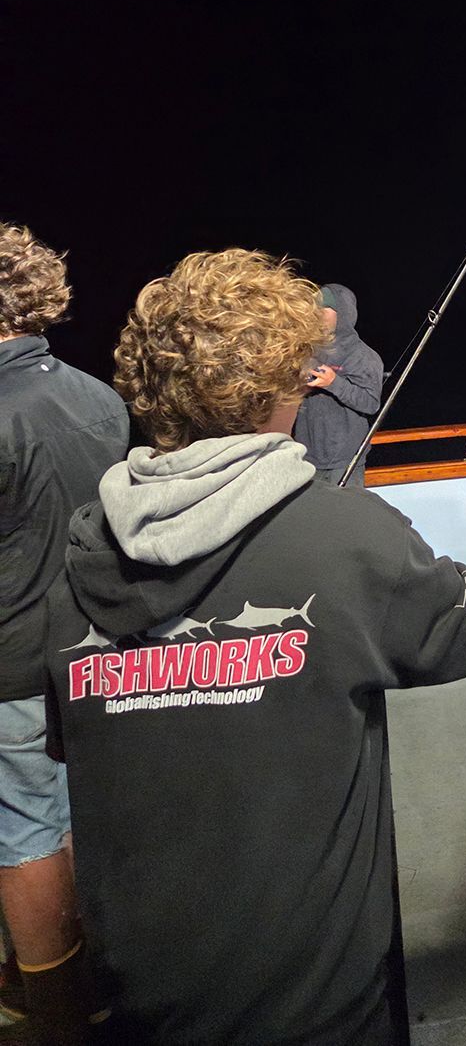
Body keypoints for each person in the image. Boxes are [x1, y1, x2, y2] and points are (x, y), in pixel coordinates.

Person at [44, 249, 466, 1045]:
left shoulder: (80, 561)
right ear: (279, 386)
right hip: (322, 1008)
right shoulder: (346, 541)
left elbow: (70, 747)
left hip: (140, 1000)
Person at [0, 224, 129, 1044]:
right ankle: (99, 983)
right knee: (79, 814)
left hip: (10, 666)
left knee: (26, 832)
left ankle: (55, 1017)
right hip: (96, 652)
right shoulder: (99, 395)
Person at [294, 283, 383, 486]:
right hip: (306, 455)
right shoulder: (306, 350)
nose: (317, 314)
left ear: (342, 312)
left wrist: (334, 382)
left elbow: (370, 403)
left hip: (345, 461)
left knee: (344, 516)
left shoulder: (363, 356)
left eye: (325, 309)